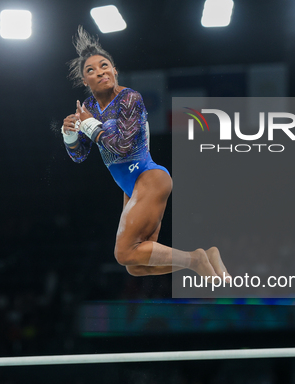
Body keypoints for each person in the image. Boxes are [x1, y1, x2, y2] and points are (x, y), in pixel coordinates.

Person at [60, 27, 229, 279]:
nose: (100, 71)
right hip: (130, 188)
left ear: (114, 69)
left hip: (149, 177)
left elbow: (122, 145)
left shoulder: (130, 98)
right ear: (85, 81)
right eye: (91, 70)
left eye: (104, 65)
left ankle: (196, 259)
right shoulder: (89, 107)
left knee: (122, 253)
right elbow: (79, 155)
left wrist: (88, 125)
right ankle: (202, 257)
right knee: (135, 266)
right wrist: (70, 133)